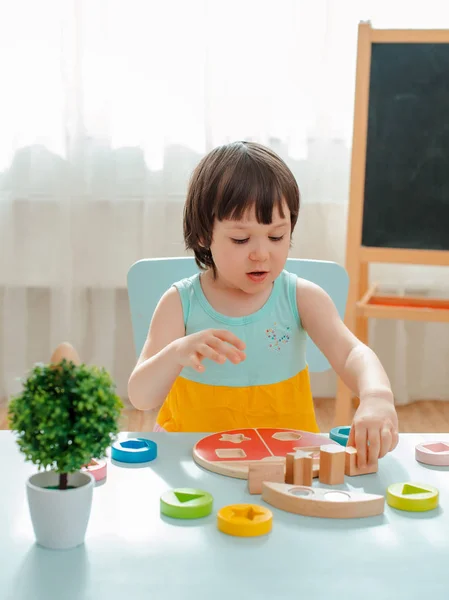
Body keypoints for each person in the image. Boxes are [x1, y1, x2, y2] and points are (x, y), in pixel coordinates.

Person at [128, 141, 398, 467]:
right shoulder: (180, 303)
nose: (261, 253)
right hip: (195, 464)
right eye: (241, 239)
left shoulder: (301, 297)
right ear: (203, 235)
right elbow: (141, 397)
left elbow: (353, 353)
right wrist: (176, 353)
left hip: (287, 465)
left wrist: (376, 396)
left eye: (276, 236)